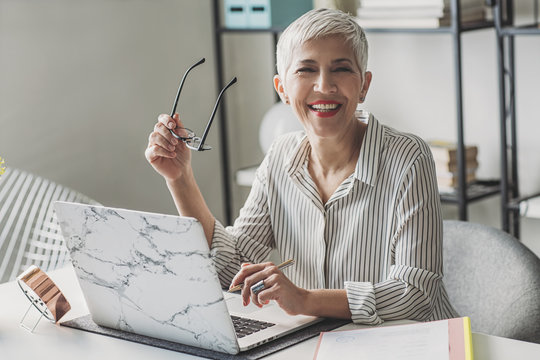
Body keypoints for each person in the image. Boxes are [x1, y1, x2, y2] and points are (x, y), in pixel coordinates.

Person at [145, 8, 458, 325]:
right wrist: (181, 178)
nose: (324, 86)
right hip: (324, 343)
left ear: (364, 85)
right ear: (282, 89)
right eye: (307, 70)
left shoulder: (408, 158)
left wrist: (306, 299)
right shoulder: (280, 157)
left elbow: (415, 294)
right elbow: (234, 270)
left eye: (341, 69)